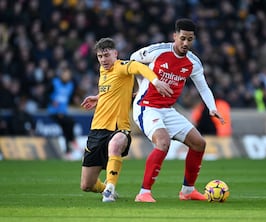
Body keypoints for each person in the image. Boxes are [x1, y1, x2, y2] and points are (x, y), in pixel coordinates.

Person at [130, 18, 225, 202]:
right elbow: (132, 61)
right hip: (146, 107)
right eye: (182, 38)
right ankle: (144, 193)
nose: (185, 43)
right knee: (163, 142)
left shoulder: (193, 63)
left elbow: (203, 87)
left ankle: (187, 191)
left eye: (190, 39)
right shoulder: (158, 51)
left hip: (167, 109)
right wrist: (141, 83)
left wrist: (212, 108)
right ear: (175, 36)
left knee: (199, 143)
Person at [80, 37, 172, 202]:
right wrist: (98, 97)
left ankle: (110, 188)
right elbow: (114, 90)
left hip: (118, 127)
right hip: (97, 129)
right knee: (87, 185)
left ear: (115, 53)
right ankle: (105, 189)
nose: (103, 60)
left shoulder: (122, 66)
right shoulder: (103, 72)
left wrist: (156, 81)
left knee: (115, 145)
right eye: (100, 56)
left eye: (107, 55)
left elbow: (138, 67)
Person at [47, 67, 79, 159]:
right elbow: (46, 94)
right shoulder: (54, 83)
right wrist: (51, 101)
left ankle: (67, 151)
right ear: (61, 75)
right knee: (70, 122)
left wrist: (75, 100)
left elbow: (70, 98)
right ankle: (73, 140)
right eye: (65, 74)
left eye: (68, 75)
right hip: (54, 112)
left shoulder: (70, 85)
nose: (67, 76)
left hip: (63, 112)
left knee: (66, 130)